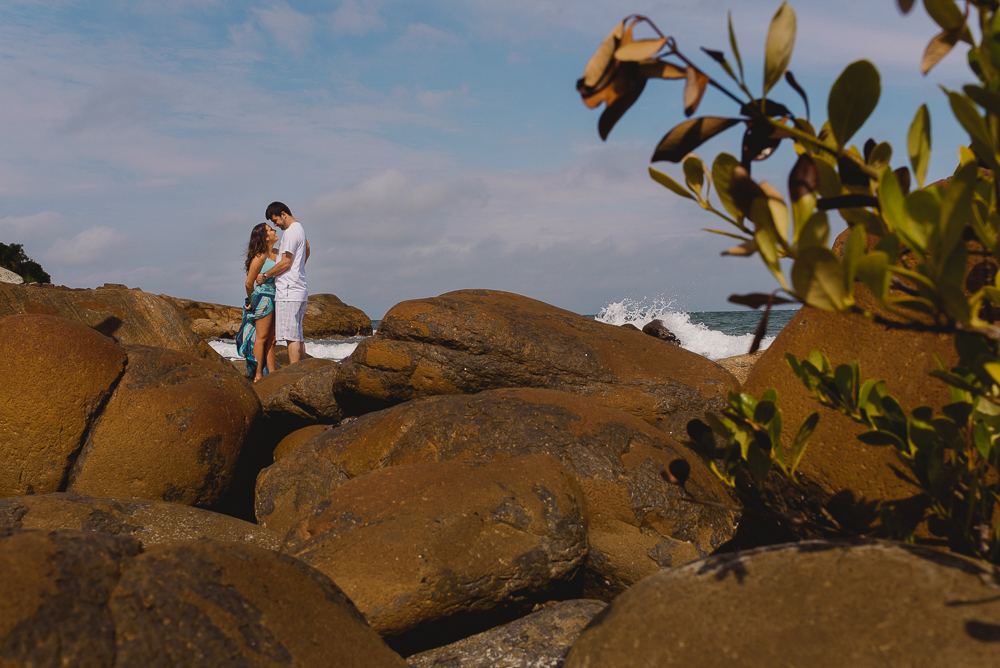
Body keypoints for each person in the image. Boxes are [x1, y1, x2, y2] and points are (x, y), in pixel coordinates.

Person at [258, 201, 310, 364]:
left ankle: (295, 372)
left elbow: (286, 262)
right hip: (298, 287)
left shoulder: (290, 233)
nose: (275, 225)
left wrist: (265, 275)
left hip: (289, 289)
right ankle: (301, 371)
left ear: (283, 214)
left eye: (275, 221)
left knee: (290, 336)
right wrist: (299, 267)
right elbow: (307, 248)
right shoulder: (300, 229)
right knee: (298, 335)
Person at [235, 222, 279, 381]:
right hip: (264, 298)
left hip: (276, 297)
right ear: (265, 237)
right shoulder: (260, 257)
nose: (275, 231)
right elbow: (249, 283)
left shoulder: (277, 253)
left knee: (272, 339)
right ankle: (258, 374)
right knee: (261, 336)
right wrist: (252, 300)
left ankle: (272, 373)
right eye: (270, 230)